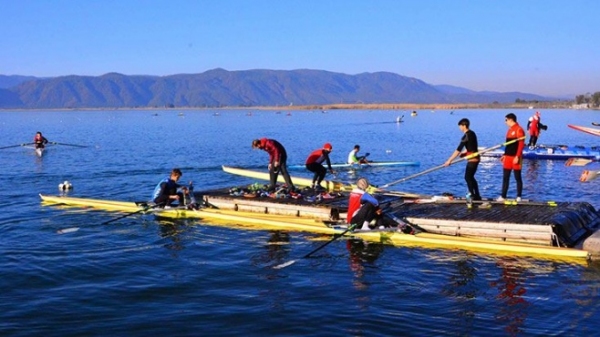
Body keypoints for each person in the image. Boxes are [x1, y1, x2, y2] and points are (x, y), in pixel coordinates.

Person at [444, 118, 482, 201]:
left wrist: (449, 160)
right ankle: (477, 195)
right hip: (476, 158)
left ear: (464, 126)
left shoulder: (466, 135)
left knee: (467, 177)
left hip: (473, 159)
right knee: (471, 177)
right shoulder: (472, 133)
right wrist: (464, 153)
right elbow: (471, 147)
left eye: (460, 126)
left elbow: (458, 150)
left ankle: (472, 195)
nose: (460, 128)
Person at [499, 113, 525, 202]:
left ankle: (519, 196)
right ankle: (503, 196)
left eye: (506, 120)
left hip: (516, 157)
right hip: (508, 157)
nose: (505, 122)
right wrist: (504, 155)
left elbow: (521, 145)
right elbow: (508, 145)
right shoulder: (509, 130)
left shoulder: (519, 130)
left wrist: (517, 156)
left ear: (511, 119)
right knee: (505, 177)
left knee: (517, 177)